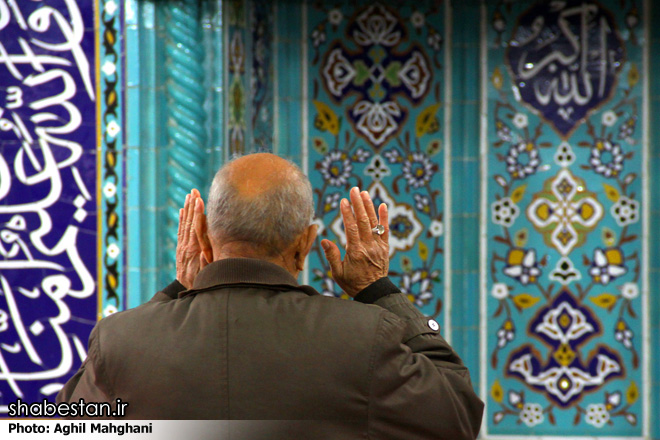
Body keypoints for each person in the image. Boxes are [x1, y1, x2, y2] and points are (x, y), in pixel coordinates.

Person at [57, 153, 484, 438]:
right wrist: (377, 288)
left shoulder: (123, 342)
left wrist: (171, 297)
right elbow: (458, 417)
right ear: (306, 244)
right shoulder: (362, 338)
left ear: (203, 237)